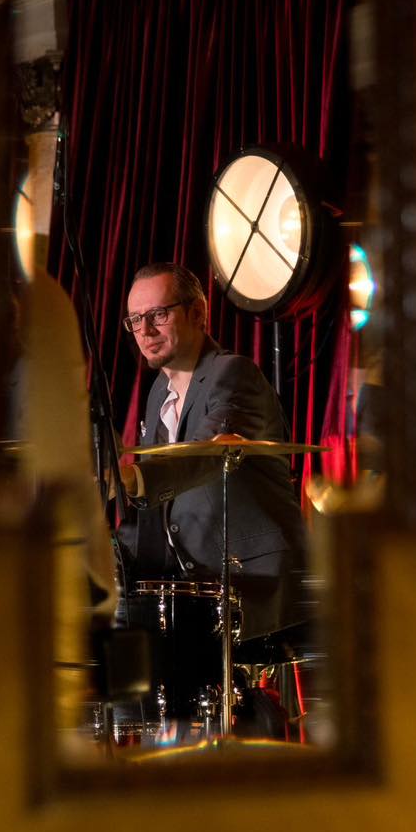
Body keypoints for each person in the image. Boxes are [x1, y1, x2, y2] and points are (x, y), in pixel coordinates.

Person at [116, 263, 308, 644]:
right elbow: (160, 509)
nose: (145, 331)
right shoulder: (158, 394)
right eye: (135, 319)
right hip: (199, 589)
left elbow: (206, 455)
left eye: (158, 314)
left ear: (198, 313)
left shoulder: (233, 374)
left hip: (256, 585)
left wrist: (132, 479)